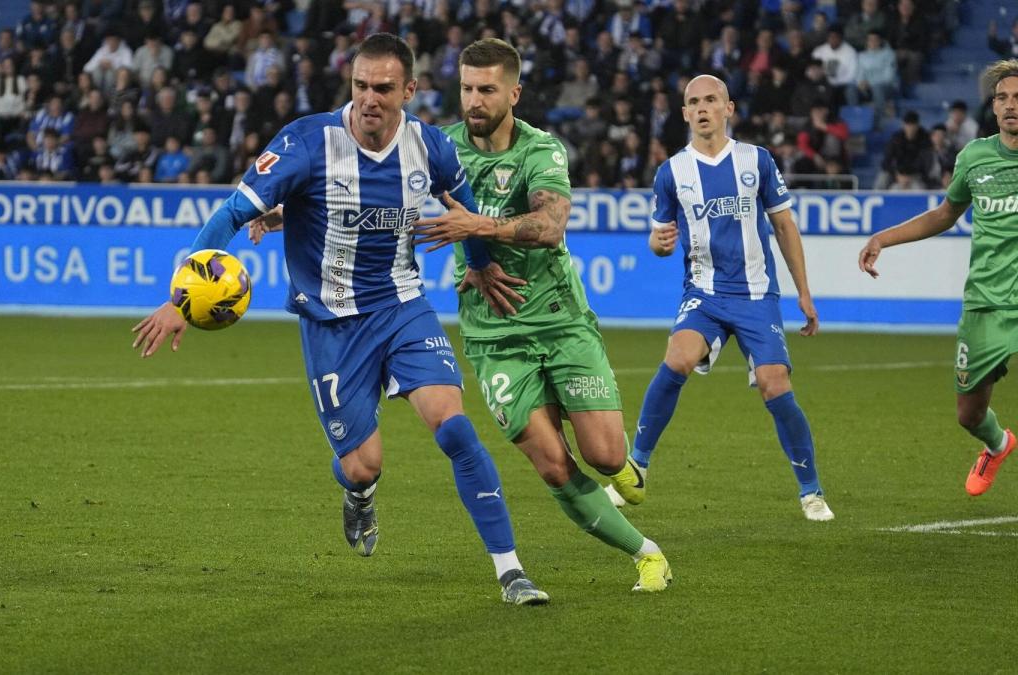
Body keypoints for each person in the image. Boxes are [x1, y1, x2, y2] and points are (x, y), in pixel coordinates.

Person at [131, 33, 550, 606]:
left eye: (383, 88)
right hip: (331, 323)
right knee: (362, 465)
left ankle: (511, 571)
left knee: (453, 427)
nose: (370, 99)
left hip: (402, 308)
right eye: (360, 86)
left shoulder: (429, 147)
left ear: (409, 90)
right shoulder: (306, 142)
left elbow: (466, 211)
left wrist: (479, 265)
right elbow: (231, 214)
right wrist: (180, 300)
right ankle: (358, 494)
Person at [405, 38, 672, 592]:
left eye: (487, 90)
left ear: (514, 93)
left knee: (604, 454)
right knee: (552, 464)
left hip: (559, 321)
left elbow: (549, 227)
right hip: (492, 332)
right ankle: (647, 555)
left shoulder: (540, 151)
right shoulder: (438, 147)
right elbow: (370, 194)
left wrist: (479, 228)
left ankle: (623, 467)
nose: (473, 101)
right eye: (466, 89)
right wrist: (288, 215)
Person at [634, 74, 834, 522]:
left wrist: (804, 293)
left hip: (757, 294)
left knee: (774, 383)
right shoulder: (671, 172)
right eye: (694, 102)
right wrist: (658, 244)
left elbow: (784, 226)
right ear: (684, 114)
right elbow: (658, 235)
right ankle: (637, 466)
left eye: (711, 99)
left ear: (729, 108)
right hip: (703, 293)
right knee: (678, 356)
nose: (703, 108)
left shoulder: (756, 161)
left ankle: (811, 490)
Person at [858, 60, 1018, 496]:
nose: (1010, 105)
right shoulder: (975, 158)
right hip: (986, 302)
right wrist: (883, 239)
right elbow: (945, 214)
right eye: (1003, 97)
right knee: (969, 414)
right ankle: (998, 445)